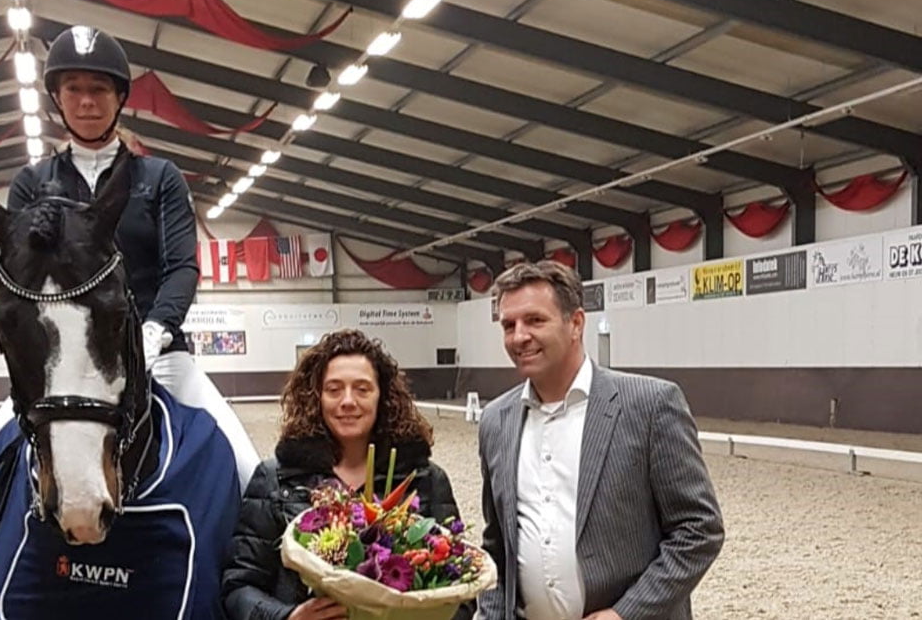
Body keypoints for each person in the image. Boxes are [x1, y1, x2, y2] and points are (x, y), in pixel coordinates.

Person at [0, 25, 259, 504]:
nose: (87, 101)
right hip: (62, 366)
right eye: (73, 89)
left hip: (160, 356)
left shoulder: (161, 179)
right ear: (57, 97)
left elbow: (181, 267)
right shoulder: (31, 184)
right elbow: (18, 285)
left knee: (248, 472)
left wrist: (155, 330)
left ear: (119, 97)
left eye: (98, 89)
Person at [477, 261, 723, 620]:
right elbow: (498, 545)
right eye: (508, 325)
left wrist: (626, 613)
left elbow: (699, 529)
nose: (519, 337)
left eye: (535, 320)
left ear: (576, 323)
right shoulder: (495, 421)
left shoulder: (650, 405)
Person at [222, 329, 470, 620]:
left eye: (362, 389)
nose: (348, 401)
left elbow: (462, 589)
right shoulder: (276, 479)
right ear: (316, 397)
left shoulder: (424, 481)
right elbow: (238, 586)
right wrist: (286, 617)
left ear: (383, 397)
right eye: (334, 389)